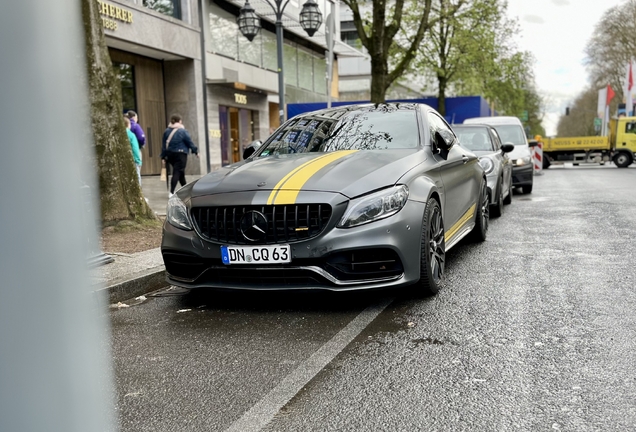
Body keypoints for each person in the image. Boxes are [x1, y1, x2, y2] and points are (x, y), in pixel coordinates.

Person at [161, 114, 198, 196]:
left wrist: (163, 156)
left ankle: (186, 191)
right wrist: (196, 151)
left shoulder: (167, 131)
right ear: (180, 121)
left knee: (180, 172)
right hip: (181, 154)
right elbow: (189, 142)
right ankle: (171, 192)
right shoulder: (183, 131)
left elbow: (164, 145)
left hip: (170, 155)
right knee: (177, 172)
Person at [124, 116, 142, 186]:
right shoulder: (131, 135)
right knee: (137, 177)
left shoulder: (117, 135)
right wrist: (138, 160)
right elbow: (135, 148)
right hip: (132, 159)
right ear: (128, 125)